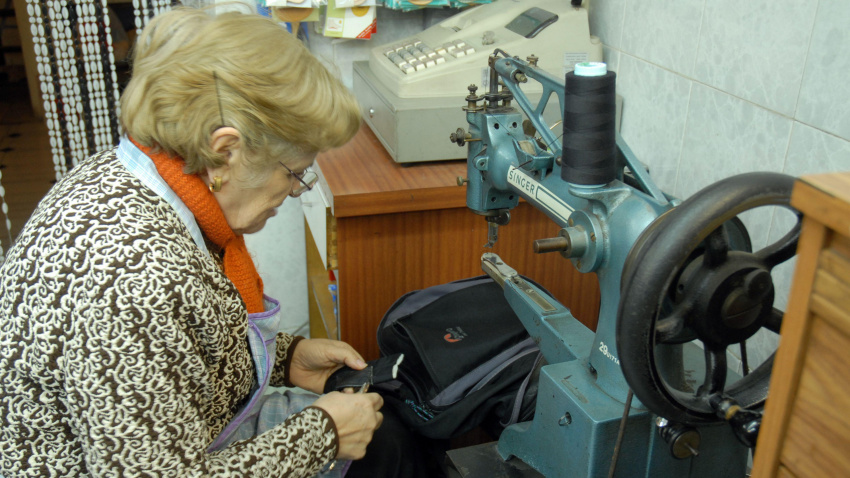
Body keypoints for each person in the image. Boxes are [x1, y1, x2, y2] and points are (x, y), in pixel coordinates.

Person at [0, 7, 437, 477]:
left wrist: (284, 357)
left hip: (175, 438)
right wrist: (323, 433)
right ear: (225, 152)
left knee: (388, 436)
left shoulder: (133, 181)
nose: (296, 190)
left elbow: (179, 345)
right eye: (293, 172)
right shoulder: (129, 278)